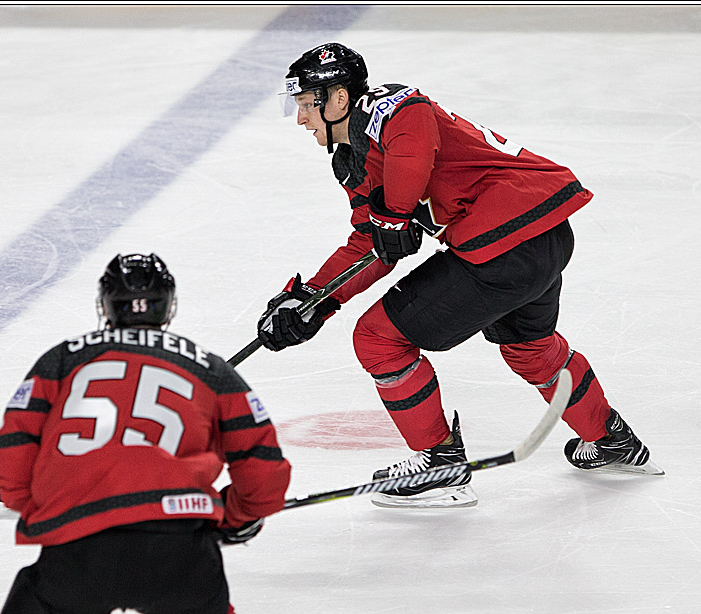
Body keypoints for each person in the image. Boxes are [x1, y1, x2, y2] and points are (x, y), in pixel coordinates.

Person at [256, 43, 659, 510]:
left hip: (503, 241)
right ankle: (610, 439)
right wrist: (313, 299)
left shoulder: (387, 106)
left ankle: (439, 466)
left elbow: (413, 136)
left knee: (378, 339)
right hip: (539, 238)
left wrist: (395, 214)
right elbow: (372, 242)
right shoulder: (353, 161)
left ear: (339, 98)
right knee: (530, 349)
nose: (301, 119)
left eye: (307, 104)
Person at [0, 253, 291, 614]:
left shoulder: (61, 359)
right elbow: (263, 469)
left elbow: (13, 451)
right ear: (168, 306)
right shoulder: (211, 368)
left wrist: (42, 506)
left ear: (105, 305)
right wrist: (236, 516)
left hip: (78, 549)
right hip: (179, 548)